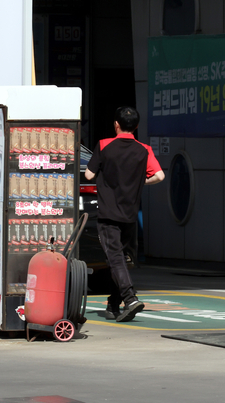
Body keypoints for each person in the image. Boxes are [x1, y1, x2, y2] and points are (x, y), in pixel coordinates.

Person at [85, 106, 164, 322]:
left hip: (108, 214)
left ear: (116, 125)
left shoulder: (104, 145)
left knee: (115, 258)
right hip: (130, 214)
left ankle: (129, 298)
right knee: (121, 259)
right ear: (136, 127)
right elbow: (159, 175)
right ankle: (113, 304)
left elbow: (89, 174)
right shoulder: (144, 149)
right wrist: (141, 182)